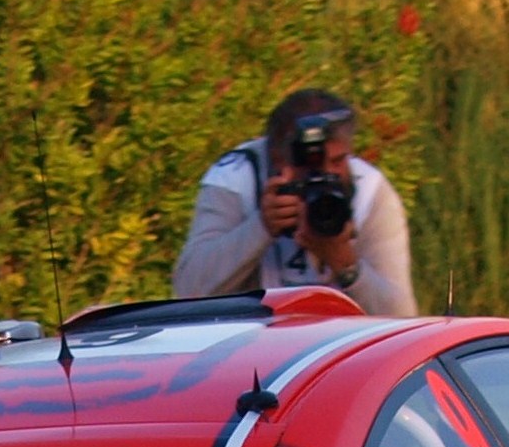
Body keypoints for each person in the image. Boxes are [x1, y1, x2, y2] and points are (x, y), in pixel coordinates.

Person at [173, 88, 417, 313]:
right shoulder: (236, 178)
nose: (325, 177)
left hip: (339, 341)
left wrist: (345, 264)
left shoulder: (369, 193)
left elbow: (403, 319)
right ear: (276, 158)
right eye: (309, 166)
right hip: (250, 338)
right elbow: (188, 290)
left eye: (337, 161)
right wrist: (260, 227)